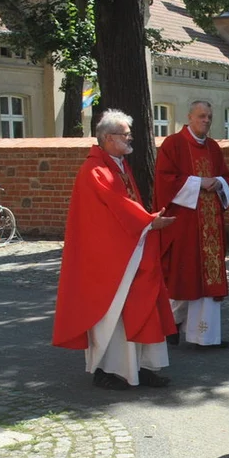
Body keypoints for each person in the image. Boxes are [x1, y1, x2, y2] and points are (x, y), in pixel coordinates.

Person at [53, 109, 177, 390]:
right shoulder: (95, 170)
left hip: (129, 251)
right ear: (108, 138)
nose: (130, 138)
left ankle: (142, 367)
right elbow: (117, 206)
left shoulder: (118, 165)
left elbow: (125, 205)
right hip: (107, 260)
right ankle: (105, 370)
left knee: (139, 308)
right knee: (112, 313)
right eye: (125, 134)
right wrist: (149, 222)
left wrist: (146, 222)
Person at [154, 101, 229, 349]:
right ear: (189, 117)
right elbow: (165, 181)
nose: (206, 120)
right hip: (185, 224)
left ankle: (205, 336)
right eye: (201, 116)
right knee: (184, 276)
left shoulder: (213, 147)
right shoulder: (173, 144)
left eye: (209, 116)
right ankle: (172, 324)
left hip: (210, 225)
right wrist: (199, 183)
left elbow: (225, 176)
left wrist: (219, 183)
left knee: (206, 279)